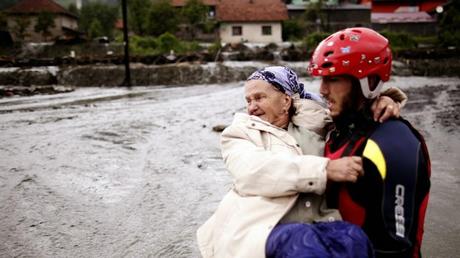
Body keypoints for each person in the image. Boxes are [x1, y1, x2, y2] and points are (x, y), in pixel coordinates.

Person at [196, 66, 404, 258]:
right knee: (304, 244)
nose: (252, 107)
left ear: (286, 101)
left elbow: (351, 110)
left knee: (354, 239)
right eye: (248, 100)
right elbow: (253, 171)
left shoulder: (318, 123)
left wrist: (382, 101)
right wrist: (325, 169)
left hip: (317, 220)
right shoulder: (238, 133)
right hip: (261, 226)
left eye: (259, 98)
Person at [308, 27, 431, 258]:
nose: (322, 90)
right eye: (322, 79)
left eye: (333, 79)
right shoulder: (337, 129)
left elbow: (395, 246)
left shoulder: (394, 142)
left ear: (368, 81)